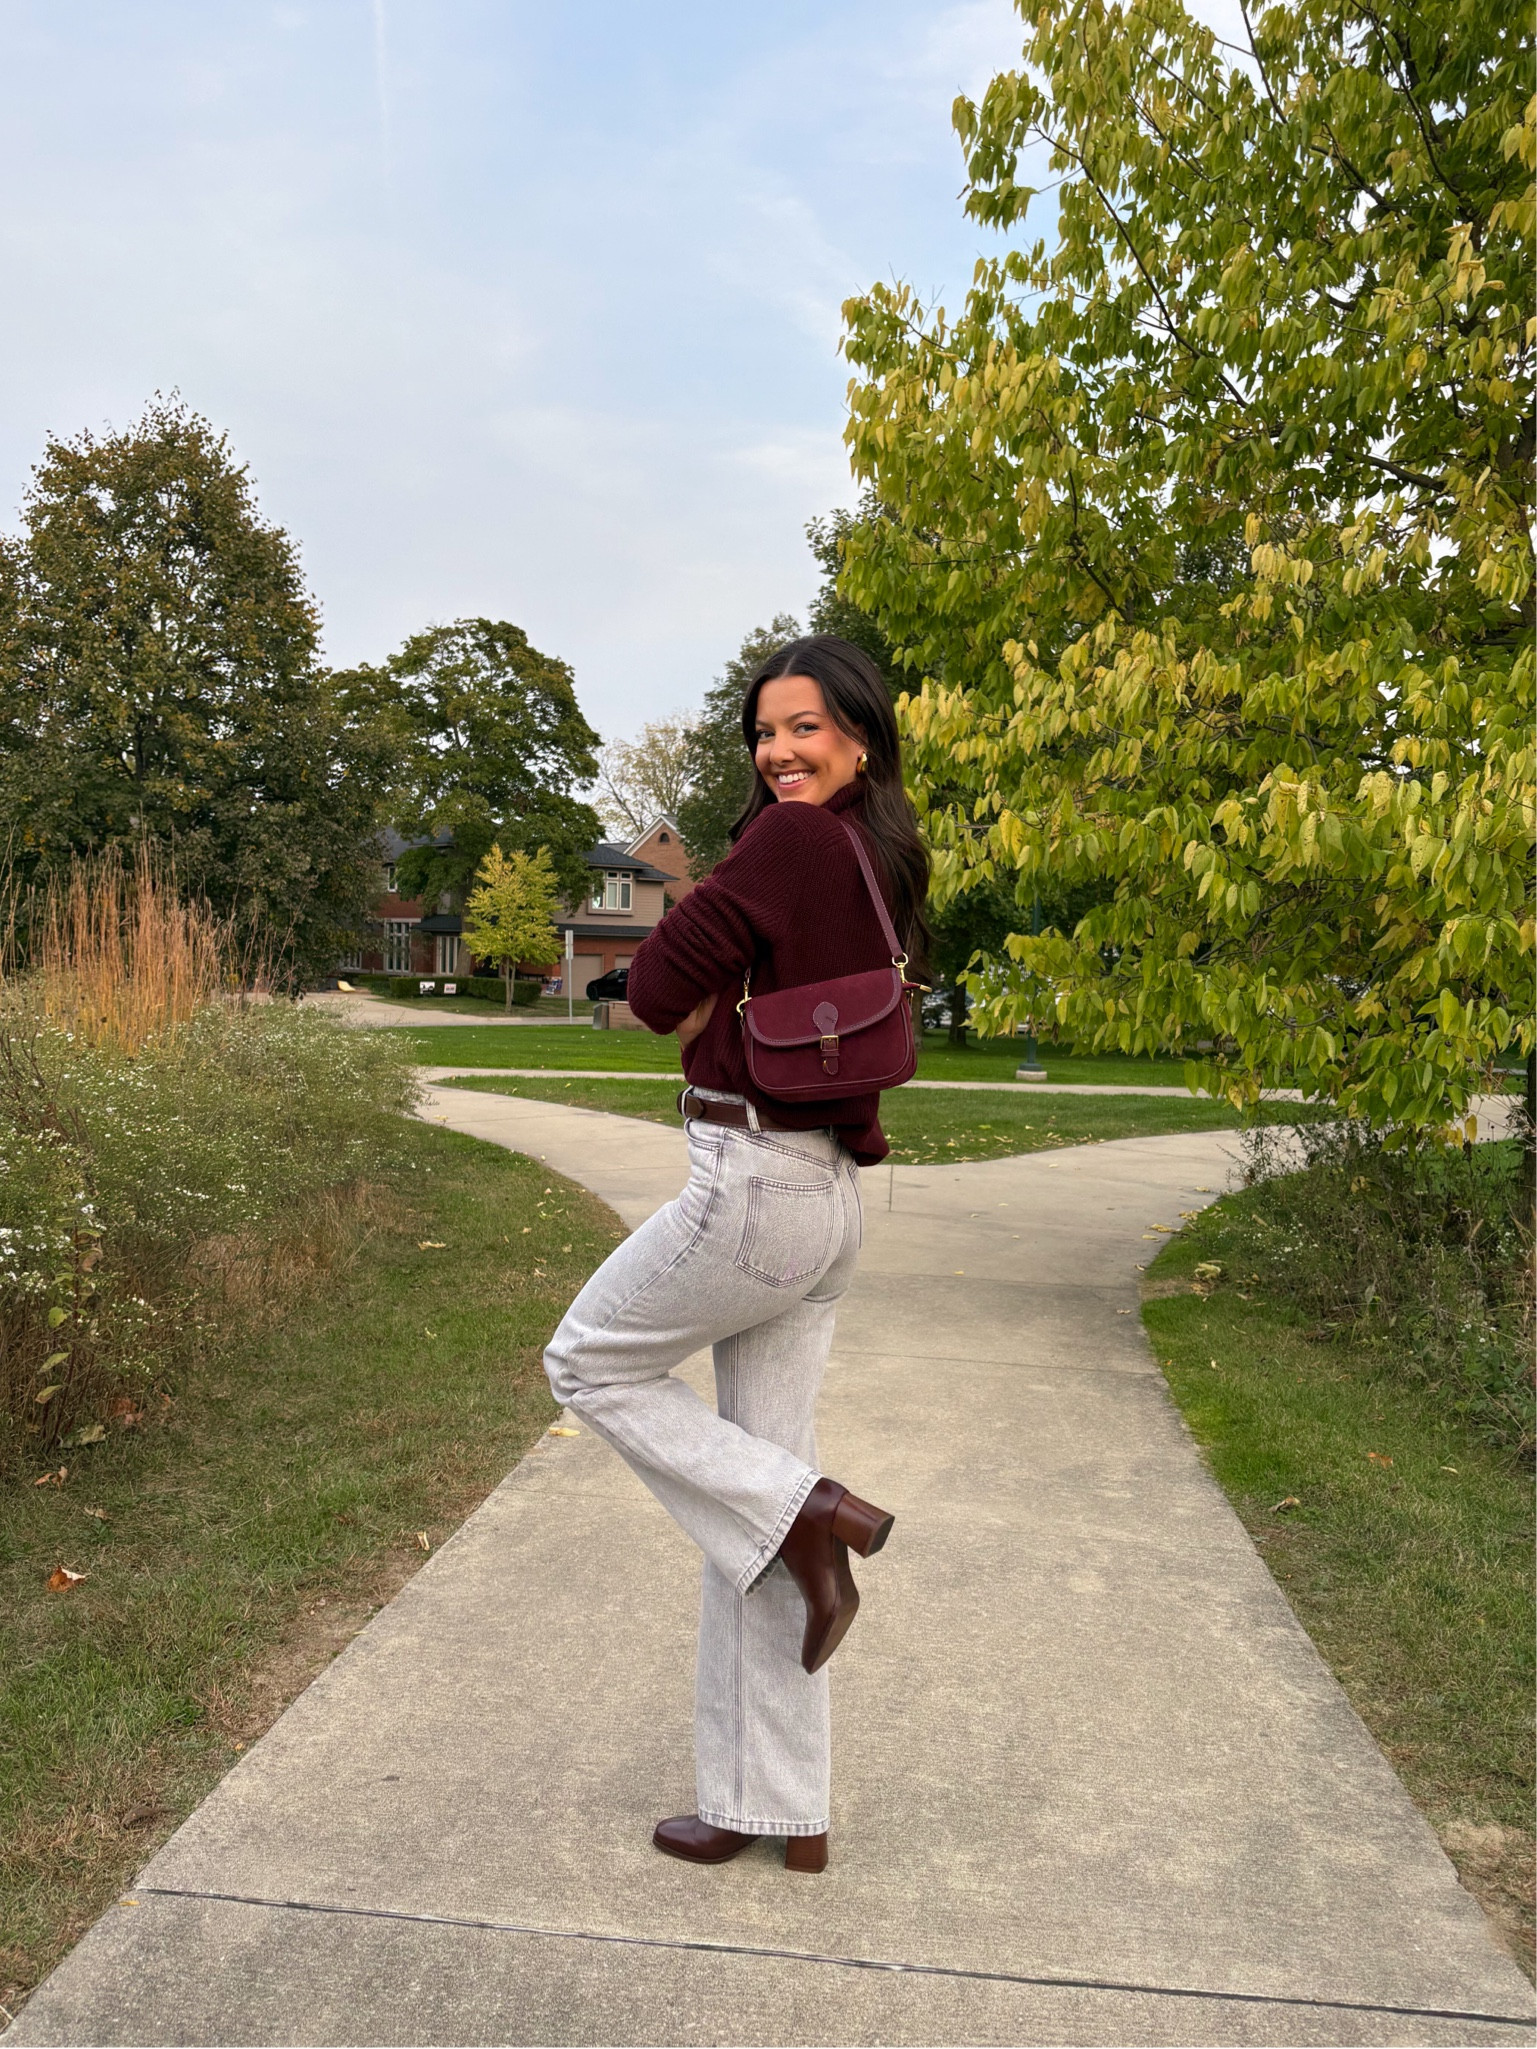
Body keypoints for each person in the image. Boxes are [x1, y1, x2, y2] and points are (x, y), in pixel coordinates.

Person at [543, 633, 931, 1874]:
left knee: (587, 1365)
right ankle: (778, 1807)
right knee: (745, 1507)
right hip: (827, 1198)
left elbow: (654, 989)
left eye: (804, 727)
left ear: (859, 736)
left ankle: (809, 1516)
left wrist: (709, 957)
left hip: (754, 1185)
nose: (778, 752)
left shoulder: (790, 841)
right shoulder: (876, 854)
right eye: (764, 732)